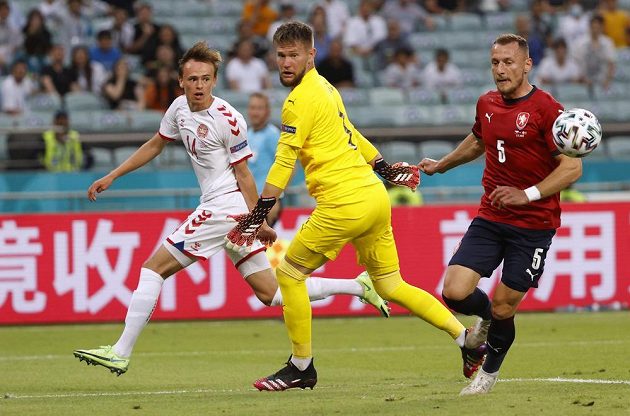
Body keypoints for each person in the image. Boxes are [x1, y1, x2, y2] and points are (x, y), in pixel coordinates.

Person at [73, 41, 390, 376]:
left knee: (153, 269)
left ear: (214, 80)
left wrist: (259, 220)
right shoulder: (178, 109)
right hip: (228, 212)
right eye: (192, 79)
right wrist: (112, 175)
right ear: (181, 81)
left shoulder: (229, 118)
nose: (199, 85)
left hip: (223, 208)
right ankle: (359, 286)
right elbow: (156, 144)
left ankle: (121, 351)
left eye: (205, 79)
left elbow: (244, 174)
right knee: (271, 294)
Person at [226, 21, 486, 392]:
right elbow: (353, 133)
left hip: (343, 202)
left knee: (289, 275)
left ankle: (301, 366)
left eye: (293, 55)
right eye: (281, 56)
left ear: (310, 55)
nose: (285, 63)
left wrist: (258, 212)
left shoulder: (298, 101)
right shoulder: (325, 88)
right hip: (373, 198)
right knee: (392, 284)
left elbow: (285, 160)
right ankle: (465, 339)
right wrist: (382, 168)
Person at [419, 33, 583, 395]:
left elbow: (572, 169)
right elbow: (479, 139)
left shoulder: (547, 110)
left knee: (505, 305)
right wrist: (441, 165)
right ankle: (487, 322)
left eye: (509, 62)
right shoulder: (487, 102)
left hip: (533, 225)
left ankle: (488, 373)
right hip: (491, 216)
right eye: (495, 62)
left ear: (527, 64)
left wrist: (527, 195)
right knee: (454, 291)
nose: (500, 69)